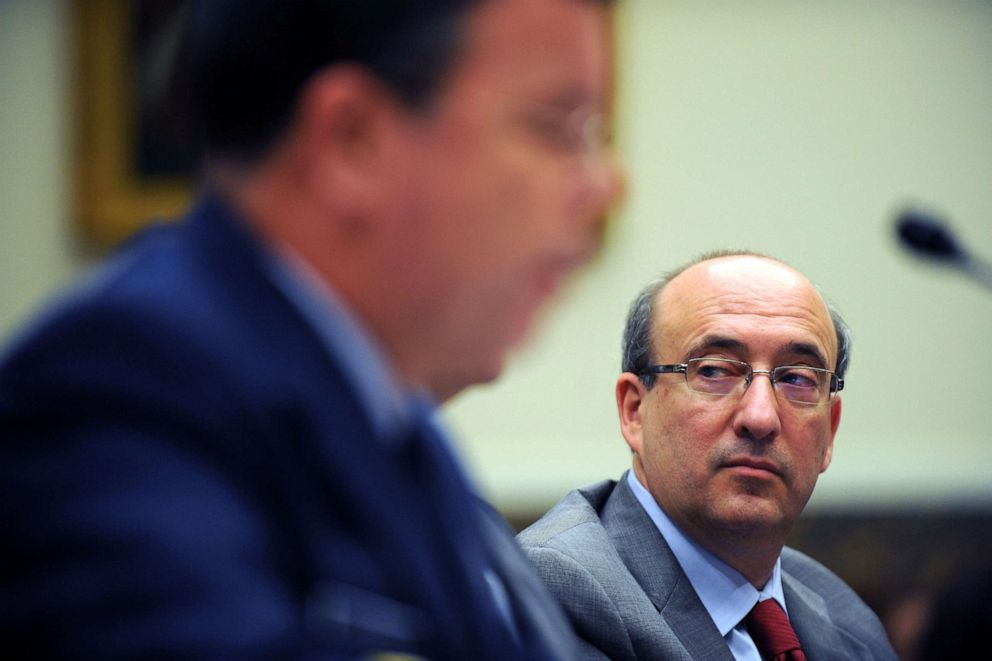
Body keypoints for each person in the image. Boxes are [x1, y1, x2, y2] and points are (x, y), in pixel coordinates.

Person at [0, 0, 622, 657]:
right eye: (558, 127)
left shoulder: (397, 420)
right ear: (352, 139)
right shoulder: (120, 392)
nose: (605, 184)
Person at [518, 252, 898, 660]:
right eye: (715, 371)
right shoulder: (555, 594)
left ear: (830, 432)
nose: (761, 416)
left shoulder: (843, 619)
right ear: (634, 411)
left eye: (796, 378)